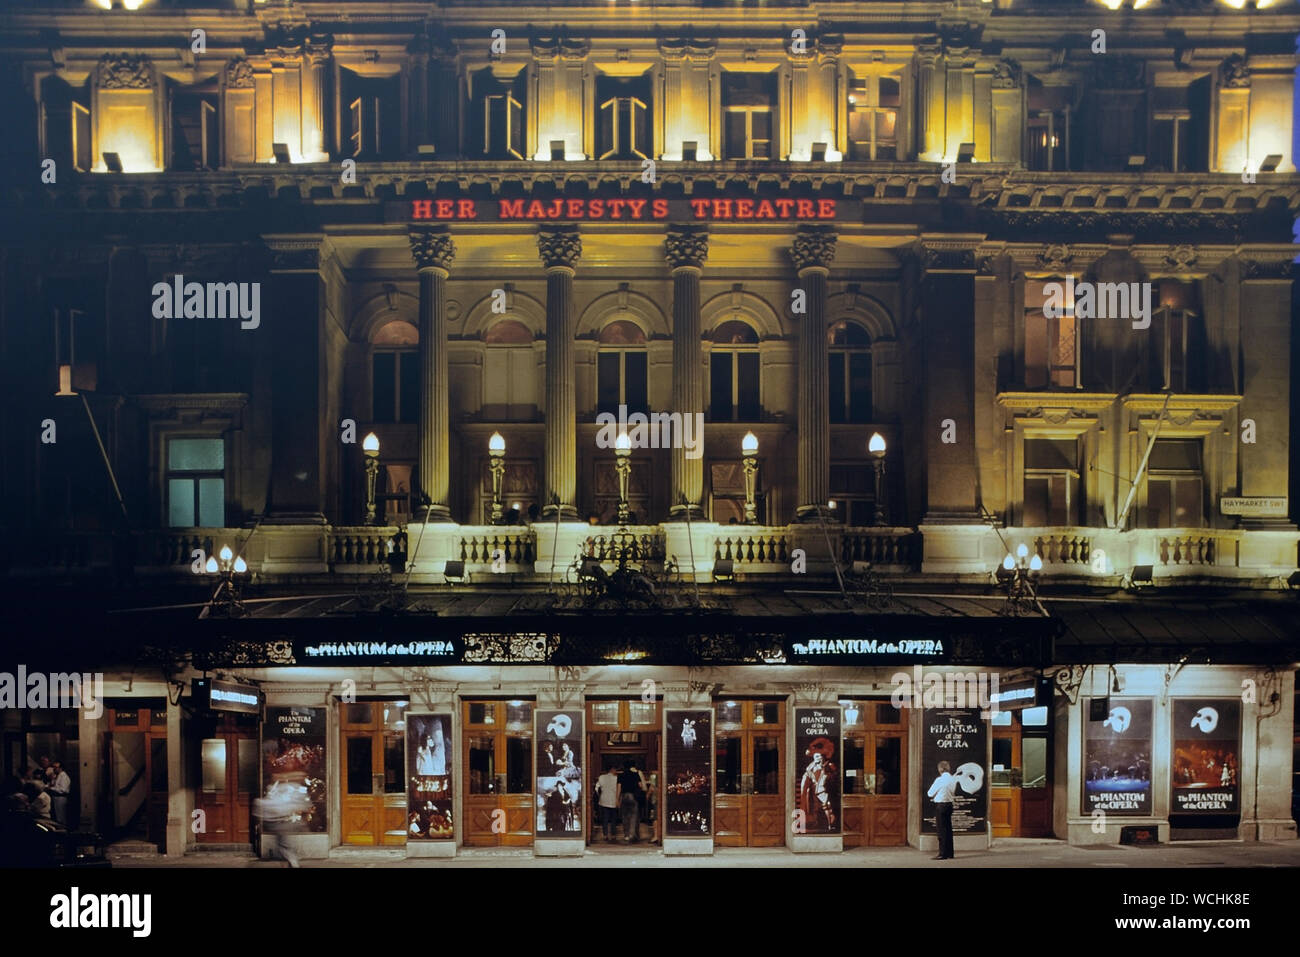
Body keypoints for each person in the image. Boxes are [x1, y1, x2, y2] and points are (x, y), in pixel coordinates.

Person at [926, 760, 958, 860]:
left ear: (940, 769)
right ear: (948, 768)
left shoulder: (939, 780)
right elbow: (953, 792)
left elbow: (930, 793)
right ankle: (950, 853)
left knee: (941, 831)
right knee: (948, 829)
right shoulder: (953, 779)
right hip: (949, 805)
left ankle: (942, 854)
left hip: (941, 805)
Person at [617, 761, 643, 843]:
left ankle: (626, 835)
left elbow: (619, 788)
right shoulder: (635, 774)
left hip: (624, 796)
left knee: (625, 816)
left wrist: (617, 799)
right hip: (633, 796)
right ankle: (632, 834)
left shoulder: (621, 775)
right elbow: (640, 785)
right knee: (633, 816)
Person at [595, 765, 620, 842]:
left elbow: (596, 788)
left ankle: (605, 835)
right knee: (613, 819)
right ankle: (613, 835)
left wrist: (599, 796)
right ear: (612, 769)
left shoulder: (601, 777)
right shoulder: (616, 778)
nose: (616, 771)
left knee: (605, 819)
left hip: (603, 800)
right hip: (613, 800)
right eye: (616, 769)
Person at [47, 760, 71, 826]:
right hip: (55, 797)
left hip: (61, 798)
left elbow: (63, 789)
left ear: (60, 768)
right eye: (53, 767)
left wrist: (51, 788)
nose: (54, 768)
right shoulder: (57, 776)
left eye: (56, 767)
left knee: (61, 817)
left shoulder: (64, 777)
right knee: (57, 816)